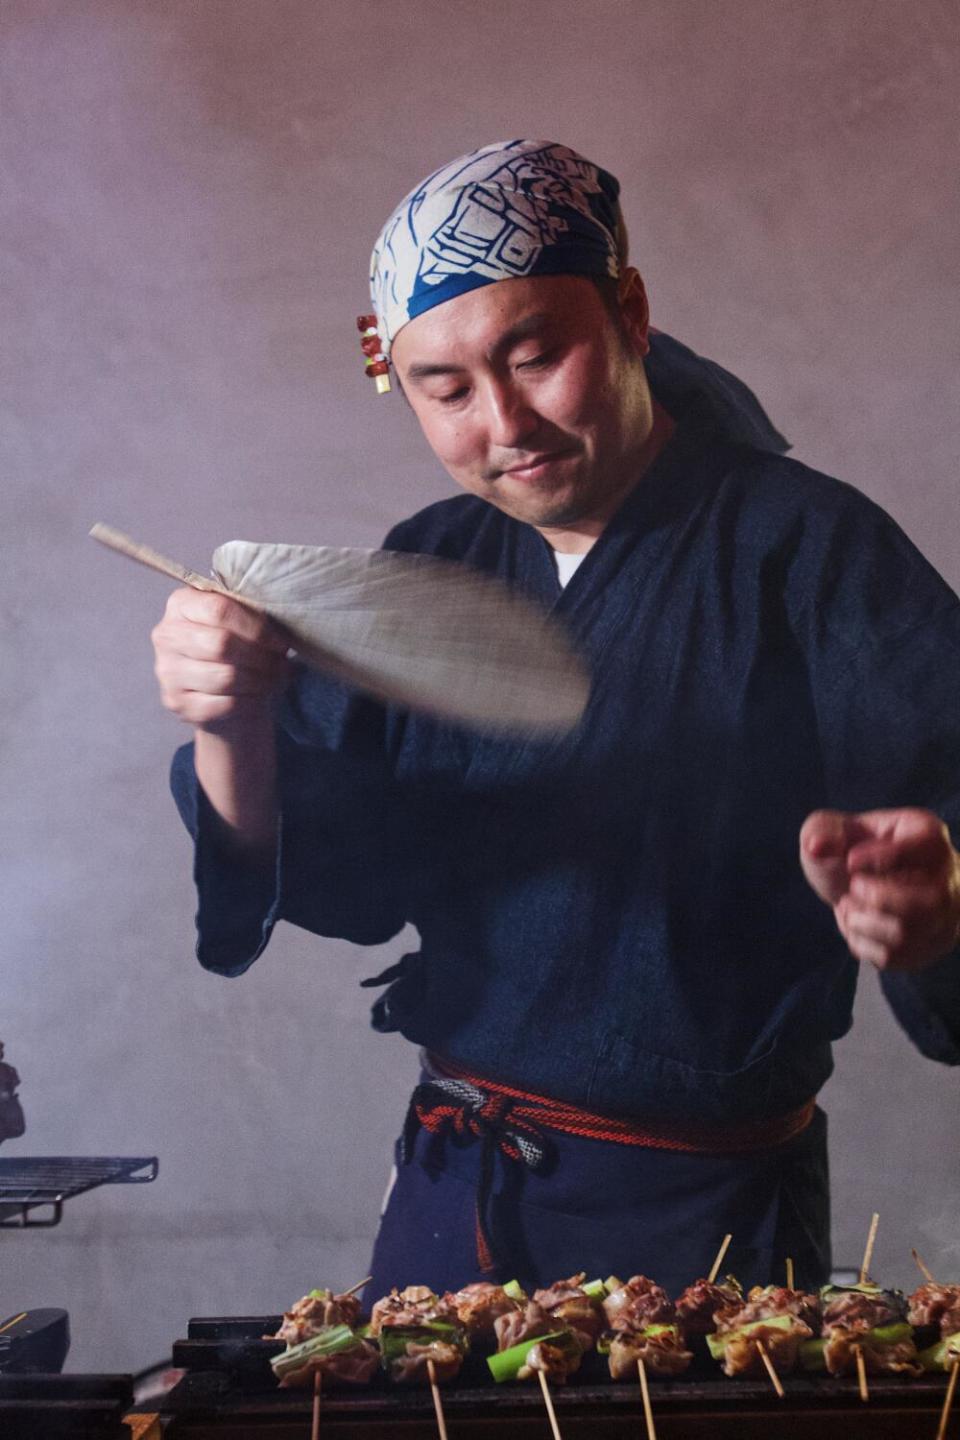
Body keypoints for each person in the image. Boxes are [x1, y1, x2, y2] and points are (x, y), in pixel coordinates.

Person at [153, 141, 960, 1299]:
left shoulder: (810, 550)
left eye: (537, 356)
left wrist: (935, 910)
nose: (505, 422)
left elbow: (948, 821)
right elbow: (345, 886)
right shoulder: (437, 561)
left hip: (702, 1220)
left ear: (629, 312)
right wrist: (231, 722)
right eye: (446, 390)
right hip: (455, 1186)